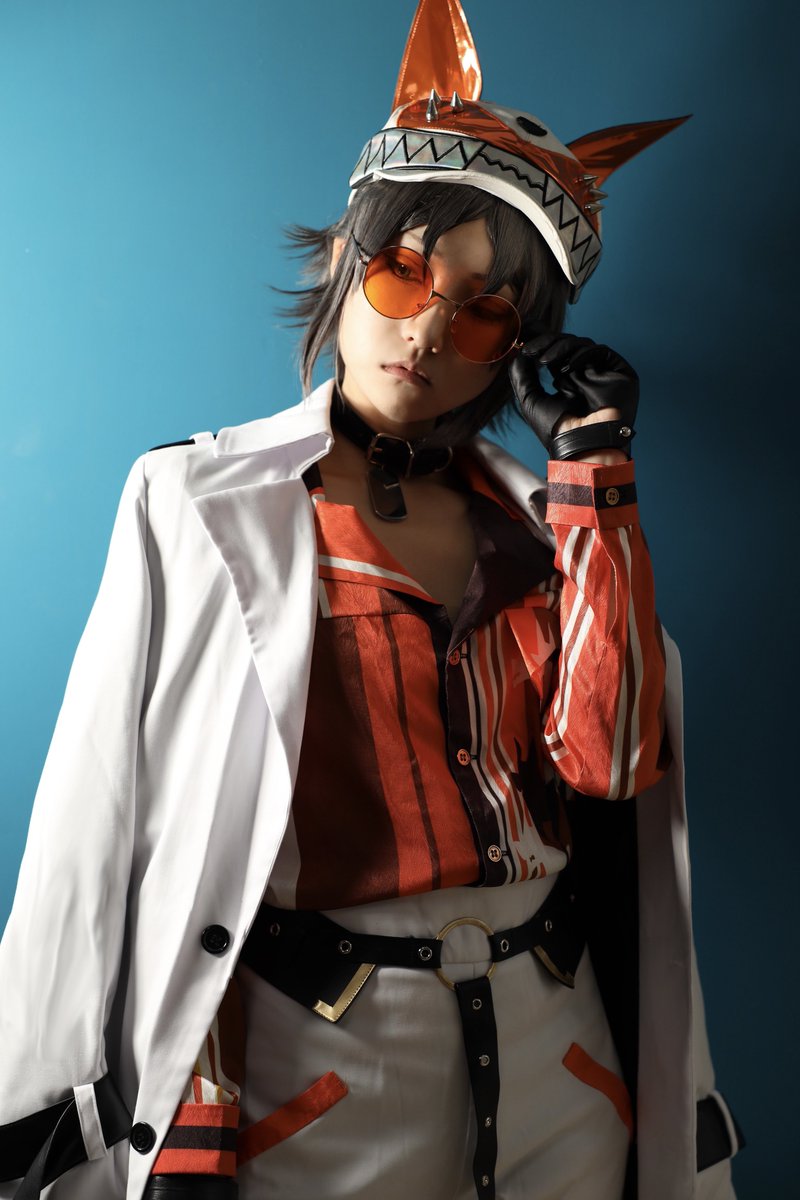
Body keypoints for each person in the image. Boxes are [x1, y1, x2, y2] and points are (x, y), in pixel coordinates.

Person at [0, 2, 742, 1198]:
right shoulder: (196, 502)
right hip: (323, 1055)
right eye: (405, 274)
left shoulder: (539, 530)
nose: (429, 332)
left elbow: (608, 766)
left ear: (516, 347)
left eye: (483, 311)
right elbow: (94, 821)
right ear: (349, 262)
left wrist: (593, 475)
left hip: (561, 1046)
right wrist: (38, 1097)